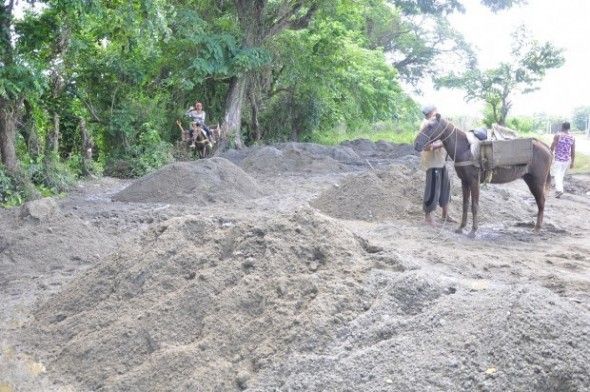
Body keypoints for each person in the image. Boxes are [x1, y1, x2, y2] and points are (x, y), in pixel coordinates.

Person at [420, 105, 453, 225]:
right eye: (436, 113)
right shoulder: (426, 125)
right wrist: (442, 144)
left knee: (445, 188)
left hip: (441, 162)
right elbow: (426, 146)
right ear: (432, 113)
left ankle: (445, 215)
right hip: (432, 163)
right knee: (432, 190)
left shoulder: (437, 125)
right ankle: (428, 218)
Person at [550, 121, 576, 198]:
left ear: (562, 127)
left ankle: (559, 190)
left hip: (558, 158)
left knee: (557, 174)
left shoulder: (558, 135)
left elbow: (552, 146)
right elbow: (573, 150)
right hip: (566, 160)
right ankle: (559, 189)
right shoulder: (572, 137)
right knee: (560, 175)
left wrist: (549, 153)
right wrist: (572, 162)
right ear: (569, 128)